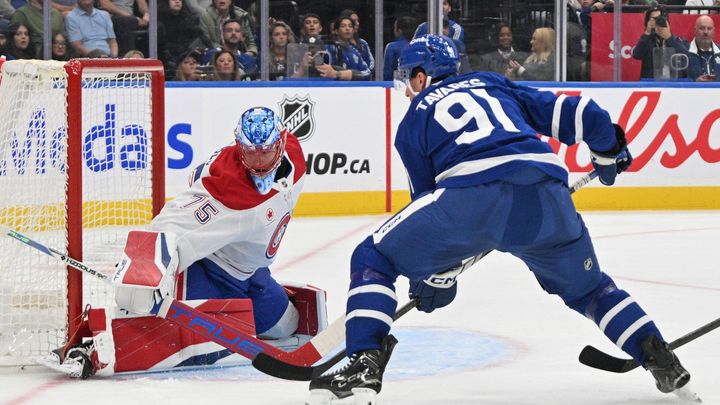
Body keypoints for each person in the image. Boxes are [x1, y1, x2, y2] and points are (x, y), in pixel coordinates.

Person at [307, 34, 691, 404]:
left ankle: (363, 361)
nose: (407, 89)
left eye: (408, 79)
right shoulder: (493, 83)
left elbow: (429, 206)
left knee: (374, 257)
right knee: (591, 290)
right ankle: (657, 355)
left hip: (473, 199)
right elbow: (584, 113)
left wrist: (434, 276)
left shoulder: (413, 121)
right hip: (547, 198)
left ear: (421, 76)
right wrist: (607, 152)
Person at [45, 107, 327, 378]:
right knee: (162, 332)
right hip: (210, 273)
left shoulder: (295, 156)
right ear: (240, 148)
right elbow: (173, 223)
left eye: (266, 152)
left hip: (251, 273)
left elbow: (202, 172)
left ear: (282, 141)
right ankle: (93, 344)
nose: (260, 162)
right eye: (251, 154)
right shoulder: (229, 191)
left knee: (287, 325)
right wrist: (144, 269)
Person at [631, 7, 689, 80]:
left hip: (673, 85)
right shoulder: (646, 42)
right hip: (651, 85)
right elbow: (637, 55)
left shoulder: (679, 41)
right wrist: (647, 32)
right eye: (654, 19)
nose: (658, 22)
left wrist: (669, 38)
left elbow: (687, 57)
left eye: (660, 19)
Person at [687, 15, 720, 81]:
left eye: (709, 28)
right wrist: (695, 83)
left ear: (714, 31)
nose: (706, 32)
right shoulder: (686, 52)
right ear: (695, 30)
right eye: (702, 28)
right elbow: (678, 79)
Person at [383, 15, 416, 81]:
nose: (394, 30)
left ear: (400, 31)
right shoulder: (420, 45)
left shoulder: (392, 47)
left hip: (398, 87)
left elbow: (387, 74)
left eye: (395, 28)